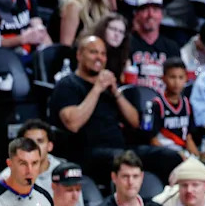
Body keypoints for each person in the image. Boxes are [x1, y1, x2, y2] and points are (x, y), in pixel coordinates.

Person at [49, 35, 141, 181]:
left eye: (103, 54)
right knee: (126, 162)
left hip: (120, 149)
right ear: (79, 55)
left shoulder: (109, 89)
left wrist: (116, 93)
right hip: (87, 152)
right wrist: (97, 88)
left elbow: (135, 122)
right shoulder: (68, 85)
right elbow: (73, 124)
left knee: (166, 156)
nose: (99, 57)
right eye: (93, 52)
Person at [127, 0, 182, 94]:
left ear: (161, 15)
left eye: (155, 10)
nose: (150, 14)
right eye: (145, 10)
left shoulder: (172, 47)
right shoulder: (127, 44)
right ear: (137, 15)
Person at [148, 58, 200, 159]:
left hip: (183, 151)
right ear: (163, 78)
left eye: (180, 77)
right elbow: (153, 140)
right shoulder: (157, 104)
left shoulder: (187, 104)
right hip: (163, 153)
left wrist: (197, 157)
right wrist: (175, 156)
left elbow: (188, 137)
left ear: (186, 78)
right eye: (172, 77)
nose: (176, 82)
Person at [0, 119, 64, 196]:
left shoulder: (65, 172)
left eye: (40, 141)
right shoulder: (8, 175)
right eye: (29, 142)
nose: (35, 146)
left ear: (50, 146)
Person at [90, 12, 130, 78]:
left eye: (121, 32)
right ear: (103, 29)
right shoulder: (90, 49)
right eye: (113, 29)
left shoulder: (123, 57)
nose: (117, 35)